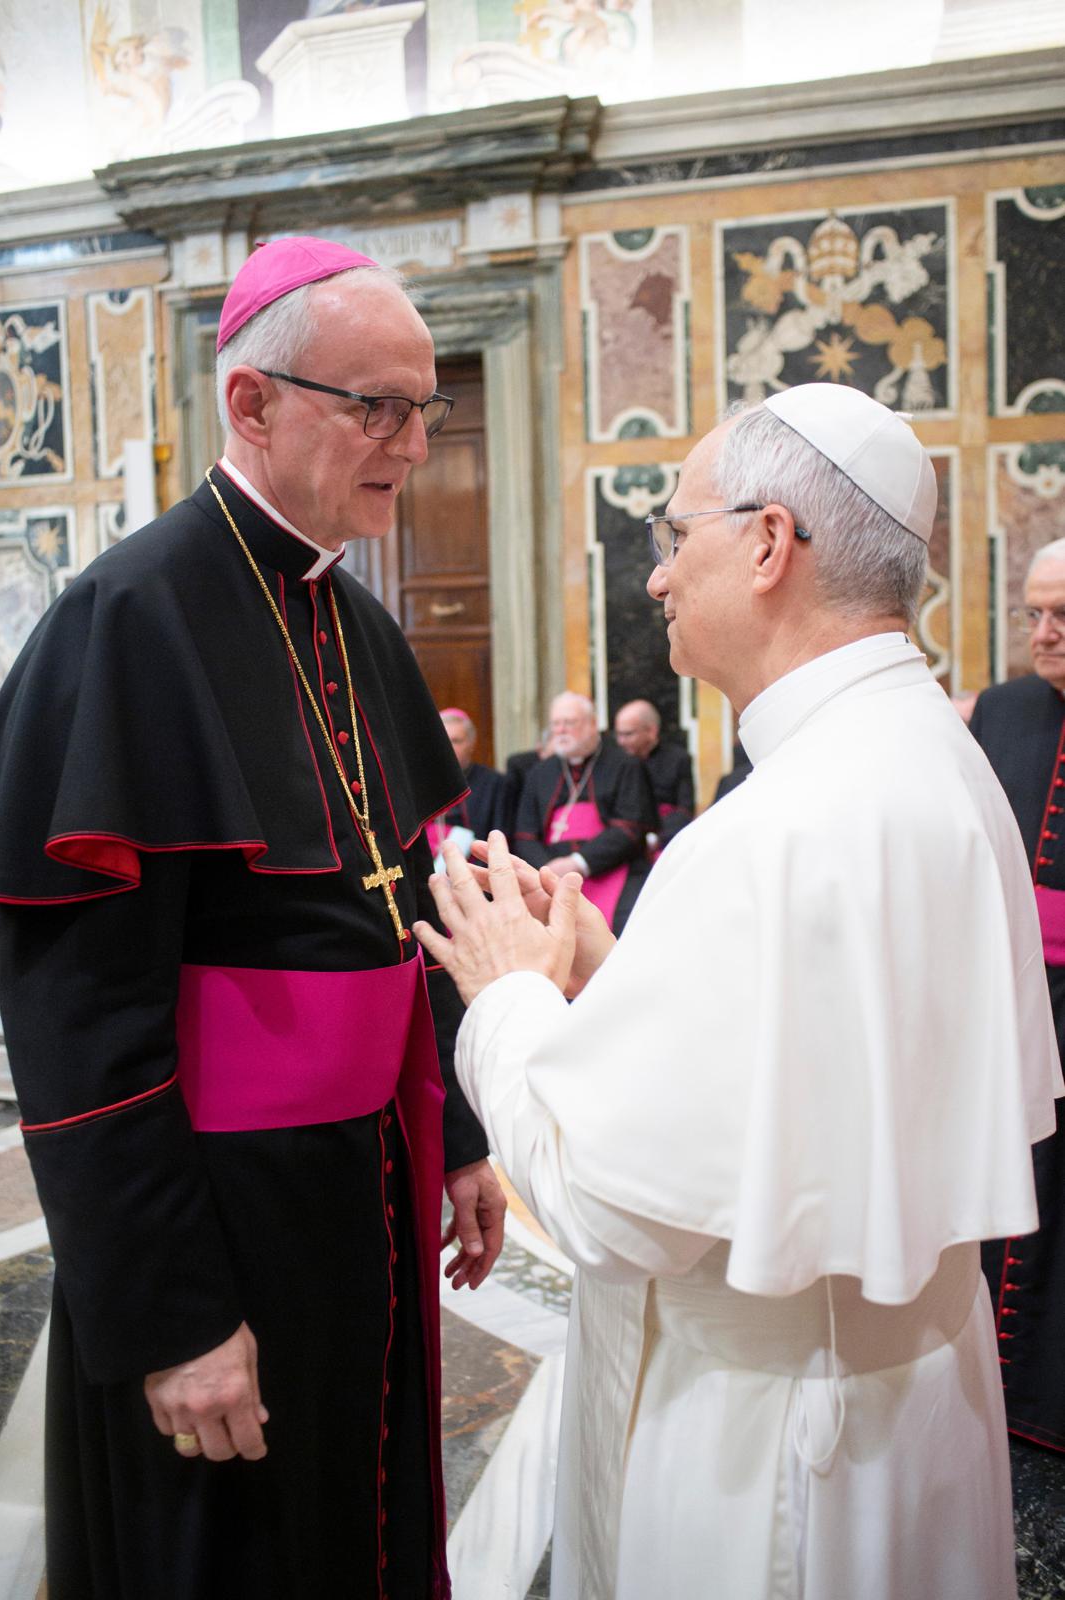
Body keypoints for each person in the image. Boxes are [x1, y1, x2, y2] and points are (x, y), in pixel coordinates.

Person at [415, 383, 1062, 1600]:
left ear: (767, 542)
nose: (655, 578)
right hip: (910, 1395)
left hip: (764, 1448)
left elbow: (613, 1206)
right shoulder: (933, 753)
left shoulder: (774, 825)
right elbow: (815, 1052)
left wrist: (507, 998)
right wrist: (617, 969)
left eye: (674, 536)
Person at [0, 236, 506, 1600]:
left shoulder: (356, 620)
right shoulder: (127, 619)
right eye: (375, 406)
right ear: (253, 403)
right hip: (215, 1225)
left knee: (357, 1518)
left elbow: (398, 912)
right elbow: (78, 1017)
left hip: (359, 1187)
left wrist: (454, 1131)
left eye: (422, 407)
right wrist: (174, 1315)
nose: (409, 437)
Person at [968, 537, 1065, 1454]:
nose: (1044, 634)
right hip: (1011, 1004)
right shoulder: (1002, 710)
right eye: (1033, 615)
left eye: (1062, 618)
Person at [514, 690, 655, 934]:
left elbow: (630, 829)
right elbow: (525, 835)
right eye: (556, 723)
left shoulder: (625, 765)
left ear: (592, 724)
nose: (561, 730)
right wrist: (549, 870)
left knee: (626, 925)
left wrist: (577, 863)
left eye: (569, 722)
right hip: (551, 876)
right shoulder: (540, 773)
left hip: (609, 869)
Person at [612, 698, 695, 851]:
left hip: (664, 841)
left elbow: (685, 811)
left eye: (628, 734)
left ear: (651, 731)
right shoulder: (615, 762)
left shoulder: (678, 759)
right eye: (618, 735)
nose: (621, 741)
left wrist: (656, 838)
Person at [428, 707, 511, 852]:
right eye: (442, 739)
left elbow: (500, 838)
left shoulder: (494, 783)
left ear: (471, 744)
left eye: (456, 741)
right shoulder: (417, 785)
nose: (447, 747)